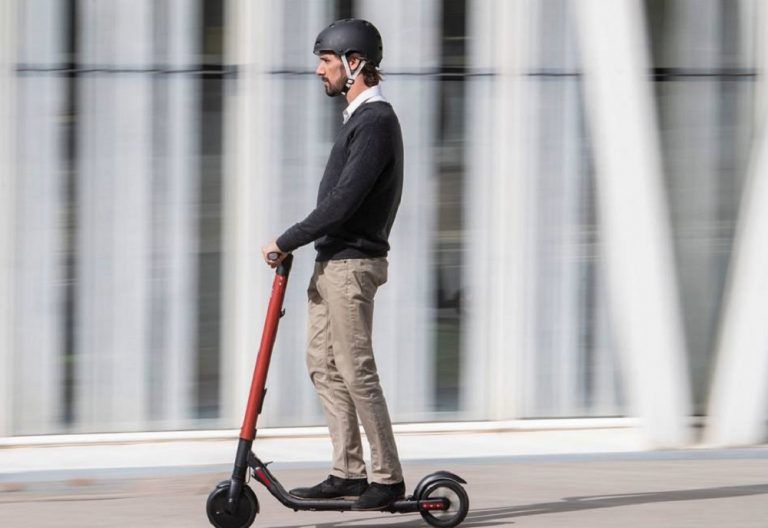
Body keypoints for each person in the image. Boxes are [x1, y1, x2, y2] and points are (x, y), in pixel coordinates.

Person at [260, 18, 405, 511]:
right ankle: (348, 471)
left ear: (354, 64)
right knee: (323, 365)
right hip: (332, 261)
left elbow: (343, 202)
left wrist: (287, 239)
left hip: (352, 265)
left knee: (356, 368)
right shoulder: (358, 121)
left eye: (326, 61)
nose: (319, 71)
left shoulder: (376, 122)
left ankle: (387, 477)